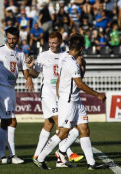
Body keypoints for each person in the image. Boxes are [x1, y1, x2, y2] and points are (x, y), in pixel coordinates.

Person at [33, 33, 108, 170]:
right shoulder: (72, 63)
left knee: (84, 129)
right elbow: (80, 84)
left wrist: (58, 93)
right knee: (64, 132)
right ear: (81, 48)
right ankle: (41, 158)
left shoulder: (64, 57)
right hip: (69, 101)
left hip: (75, 100)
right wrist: (97, 95)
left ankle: (91, 163)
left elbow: (61, 78)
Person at [26, 31, 84, 168]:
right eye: (50, 43)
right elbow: (35, 74)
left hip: (60, 93)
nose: (51, 45)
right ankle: (66, 153)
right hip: (48, 93)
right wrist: (31, 68)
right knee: (60, 122)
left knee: (49, 124)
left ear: (60, 43)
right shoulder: (44, 55)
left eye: (54, 43)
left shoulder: (66, 56)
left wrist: (82, 65)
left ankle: (37, 155)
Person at [0, 27, 33, 164]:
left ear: (18, 38)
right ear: (6, 38)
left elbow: (24, 70)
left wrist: (28, 78)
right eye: (9, 38)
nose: (11, 41)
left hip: (11, 89)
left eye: (14, 38)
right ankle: (12, 155)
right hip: (1, 89)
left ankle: (0, 155)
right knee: (12, 122)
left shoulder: (20, 53)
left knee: (4, 123)